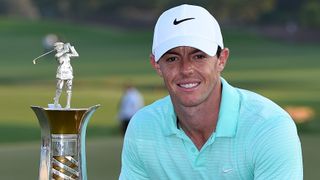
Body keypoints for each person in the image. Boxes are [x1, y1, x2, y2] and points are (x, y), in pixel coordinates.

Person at [120, 4, 303, 180]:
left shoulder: (269, 126)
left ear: (221, 59)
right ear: (156, 65)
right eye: (172, 58)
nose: (186, 69)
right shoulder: (143, 127)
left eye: (199, 56)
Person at [53, 42, 79, 108]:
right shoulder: (57, 55)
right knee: (59, 88)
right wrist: (66, 49)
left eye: (56, 46)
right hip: (61, 72)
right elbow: (59, 55)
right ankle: (56, 102)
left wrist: (71, 47)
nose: (55, 48)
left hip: (68, 72)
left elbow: (76, 55)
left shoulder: (67, 54)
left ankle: (68, 105)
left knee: (69, 89)